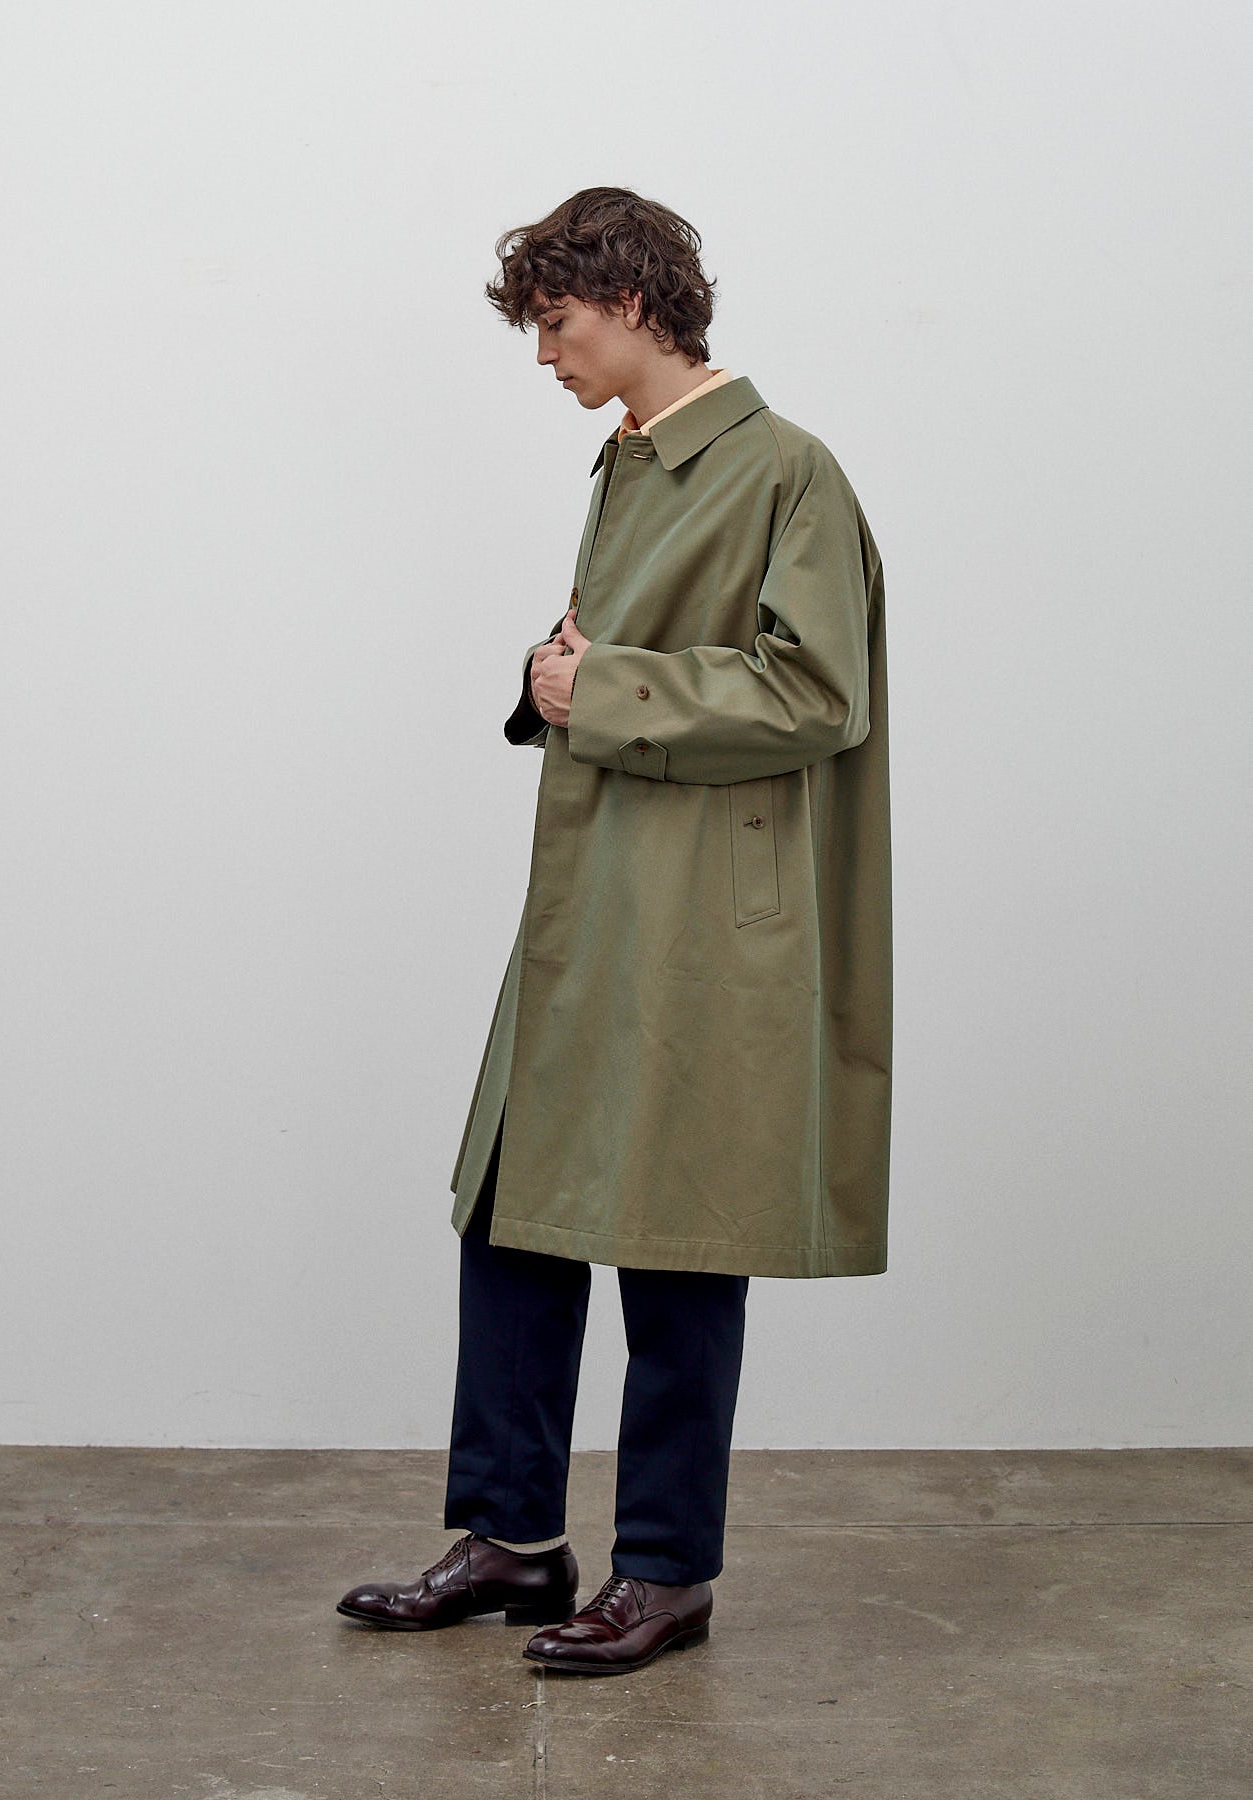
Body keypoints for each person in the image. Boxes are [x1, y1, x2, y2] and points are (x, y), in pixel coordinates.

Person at [337, 187, 892, 1676]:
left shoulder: (787, 471)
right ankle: (514, 1535)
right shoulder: (630, 459)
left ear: (634, 304)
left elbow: (816, 692)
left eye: (557, 322)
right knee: (514, 1205)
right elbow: (622, 656)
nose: (545, 354)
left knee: (680, 1236)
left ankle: (666, 1571)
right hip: (593, 896)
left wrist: (607, 688)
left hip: (703, 913)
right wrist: (557, 675)